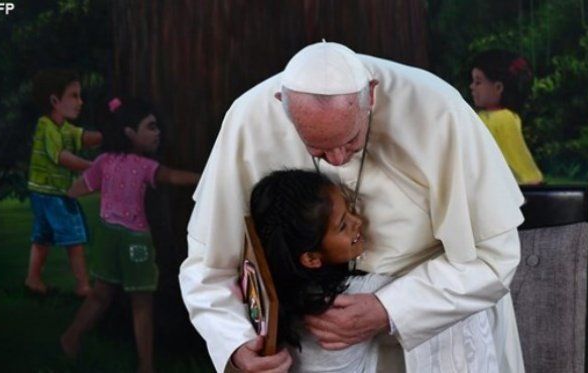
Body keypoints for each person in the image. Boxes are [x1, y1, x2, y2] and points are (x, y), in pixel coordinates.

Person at [180, 41, 526, 373]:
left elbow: (494, 256)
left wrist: (389, 308)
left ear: (371, 96)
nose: (338, 159)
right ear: (280, 103)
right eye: (316, 148)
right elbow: (209, 264)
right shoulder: (248, 119)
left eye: (350, 140)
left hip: (436, 335)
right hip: (314, 347)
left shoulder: (438, 109)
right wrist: (237, 343)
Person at [248, 168, 499, 373]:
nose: (358, 221)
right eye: (343, 225)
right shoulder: (351, 295)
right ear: (312, 258)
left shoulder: (285, 296)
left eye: (349, 209)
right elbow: (444, 294)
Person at [60, 98, 200, 373]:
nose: (157, 132)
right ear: (129, 132)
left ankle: (72, 337)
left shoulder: (104, 162)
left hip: (107, 235)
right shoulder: (144, 167)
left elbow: (76, 189)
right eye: (150, 127)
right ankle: (145, 365)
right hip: (135, 240)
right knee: (142, 302)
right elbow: (171, 177)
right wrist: (204, 177)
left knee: (103, 294)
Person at [26, 69, 102, 296]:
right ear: (55, 101)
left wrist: (108, 134)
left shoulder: (63, 127)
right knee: (74, 235)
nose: (80, 102)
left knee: (42, 237)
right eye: (74, 96)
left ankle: (33, 279)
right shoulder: (46, 126)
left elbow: (82, 138)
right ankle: (83, 286)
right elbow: (61, 156)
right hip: (53, 193)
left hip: (42, 192)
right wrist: (93, 168)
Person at [470, 49, 543, 185]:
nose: (472, 87)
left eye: (478, 82)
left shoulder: (503, 119)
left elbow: (516, 157)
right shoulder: (483, 117)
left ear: (498, 87)